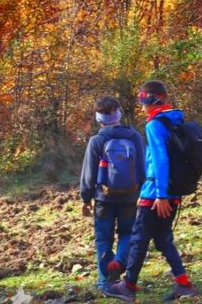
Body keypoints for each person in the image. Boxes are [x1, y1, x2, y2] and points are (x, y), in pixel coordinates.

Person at [102, 80, 197, 301]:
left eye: (143, 101)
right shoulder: (175, 119)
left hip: (157, 194)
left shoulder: (154, 125)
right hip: (172, 191)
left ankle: (128, 286)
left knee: (138, 238)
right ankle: (184, 284)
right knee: (163, 238)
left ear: (151, 100)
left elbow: (160, 159)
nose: (142, 106)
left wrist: (160, 195)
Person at [80, 96, 144, 289]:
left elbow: (89, 172)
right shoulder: (134, 137)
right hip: (130, 196)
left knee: (103, 238)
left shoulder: (97, 140)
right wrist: (141, 192)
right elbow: (142, 167)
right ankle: (120, 263)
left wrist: (85, 198)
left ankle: (104, 281)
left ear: (98, 119)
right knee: (127, 232)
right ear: (119, 115)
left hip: (103, 198)